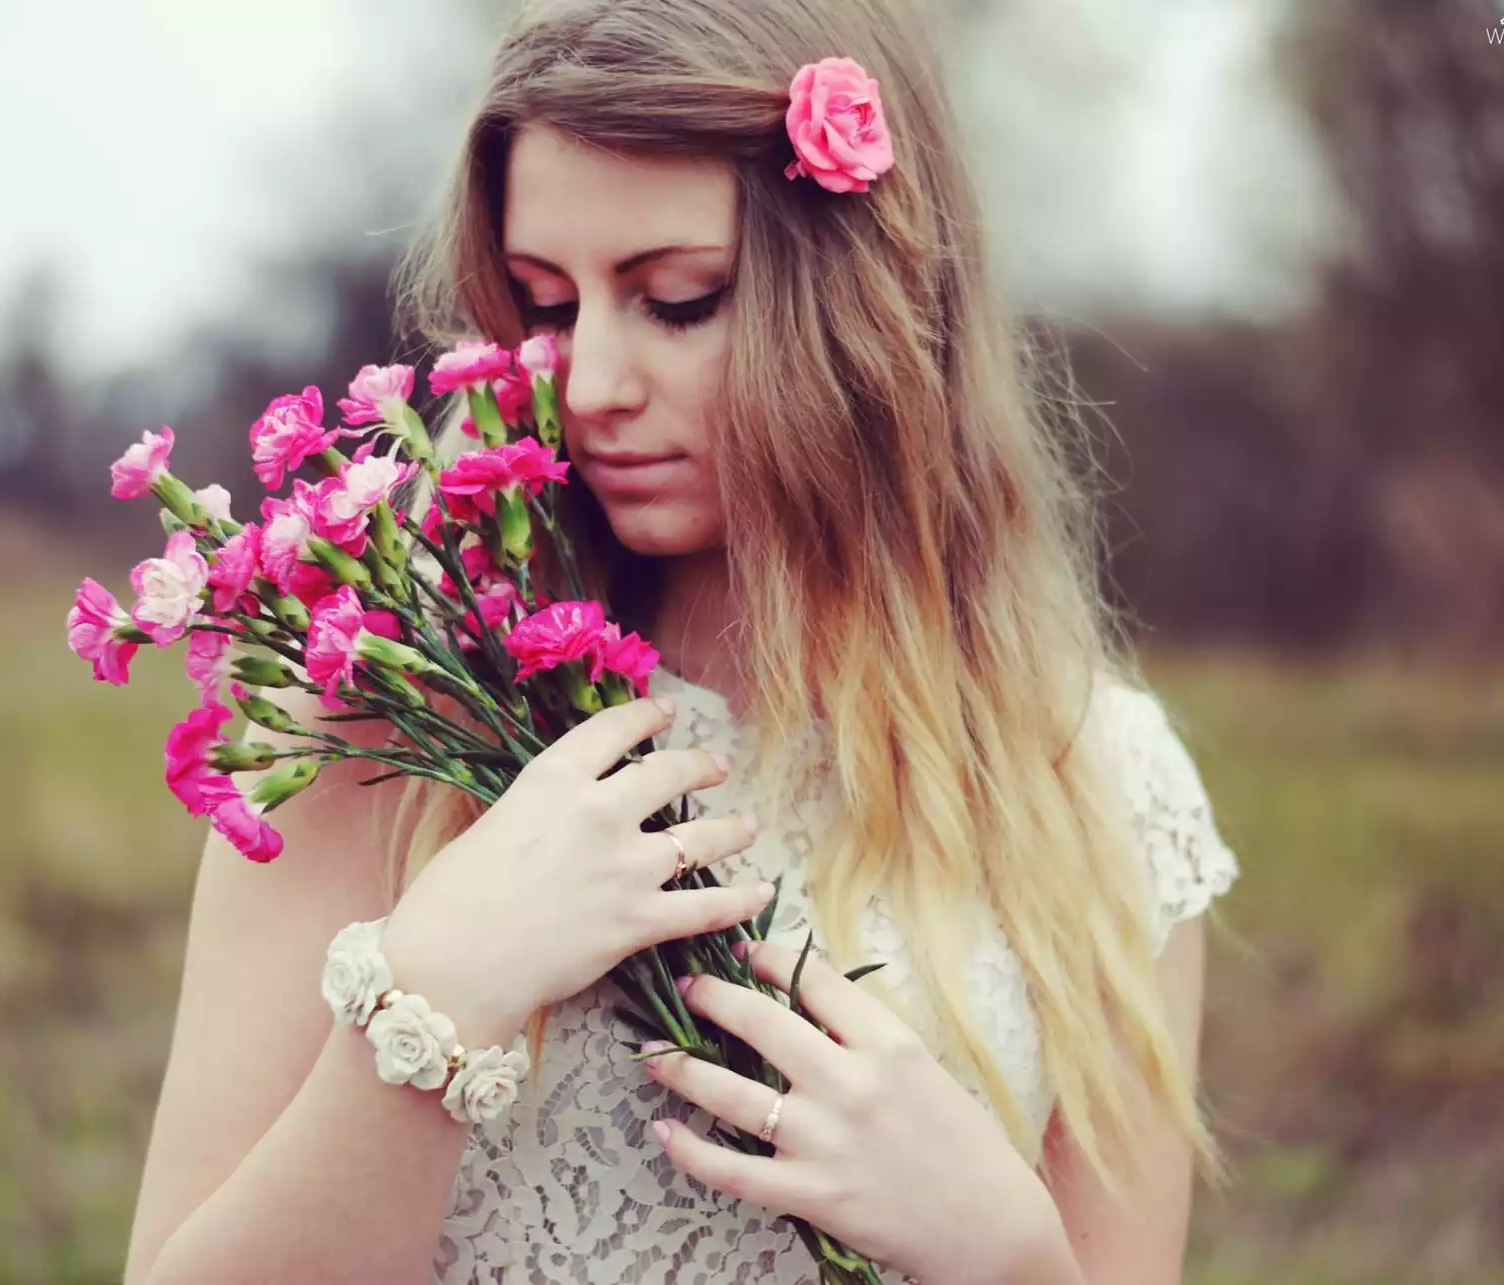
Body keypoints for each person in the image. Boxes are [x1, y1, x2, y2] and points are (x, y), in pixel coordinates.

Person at [123, 1, 1241, 1282]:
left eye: (677, 300)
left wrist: (1007, 1255)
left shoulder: (1097, 788)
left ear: (867, 308)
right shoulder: (382, 723)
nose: (590, 381)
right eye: (546, 306)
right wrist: (430, 1003)